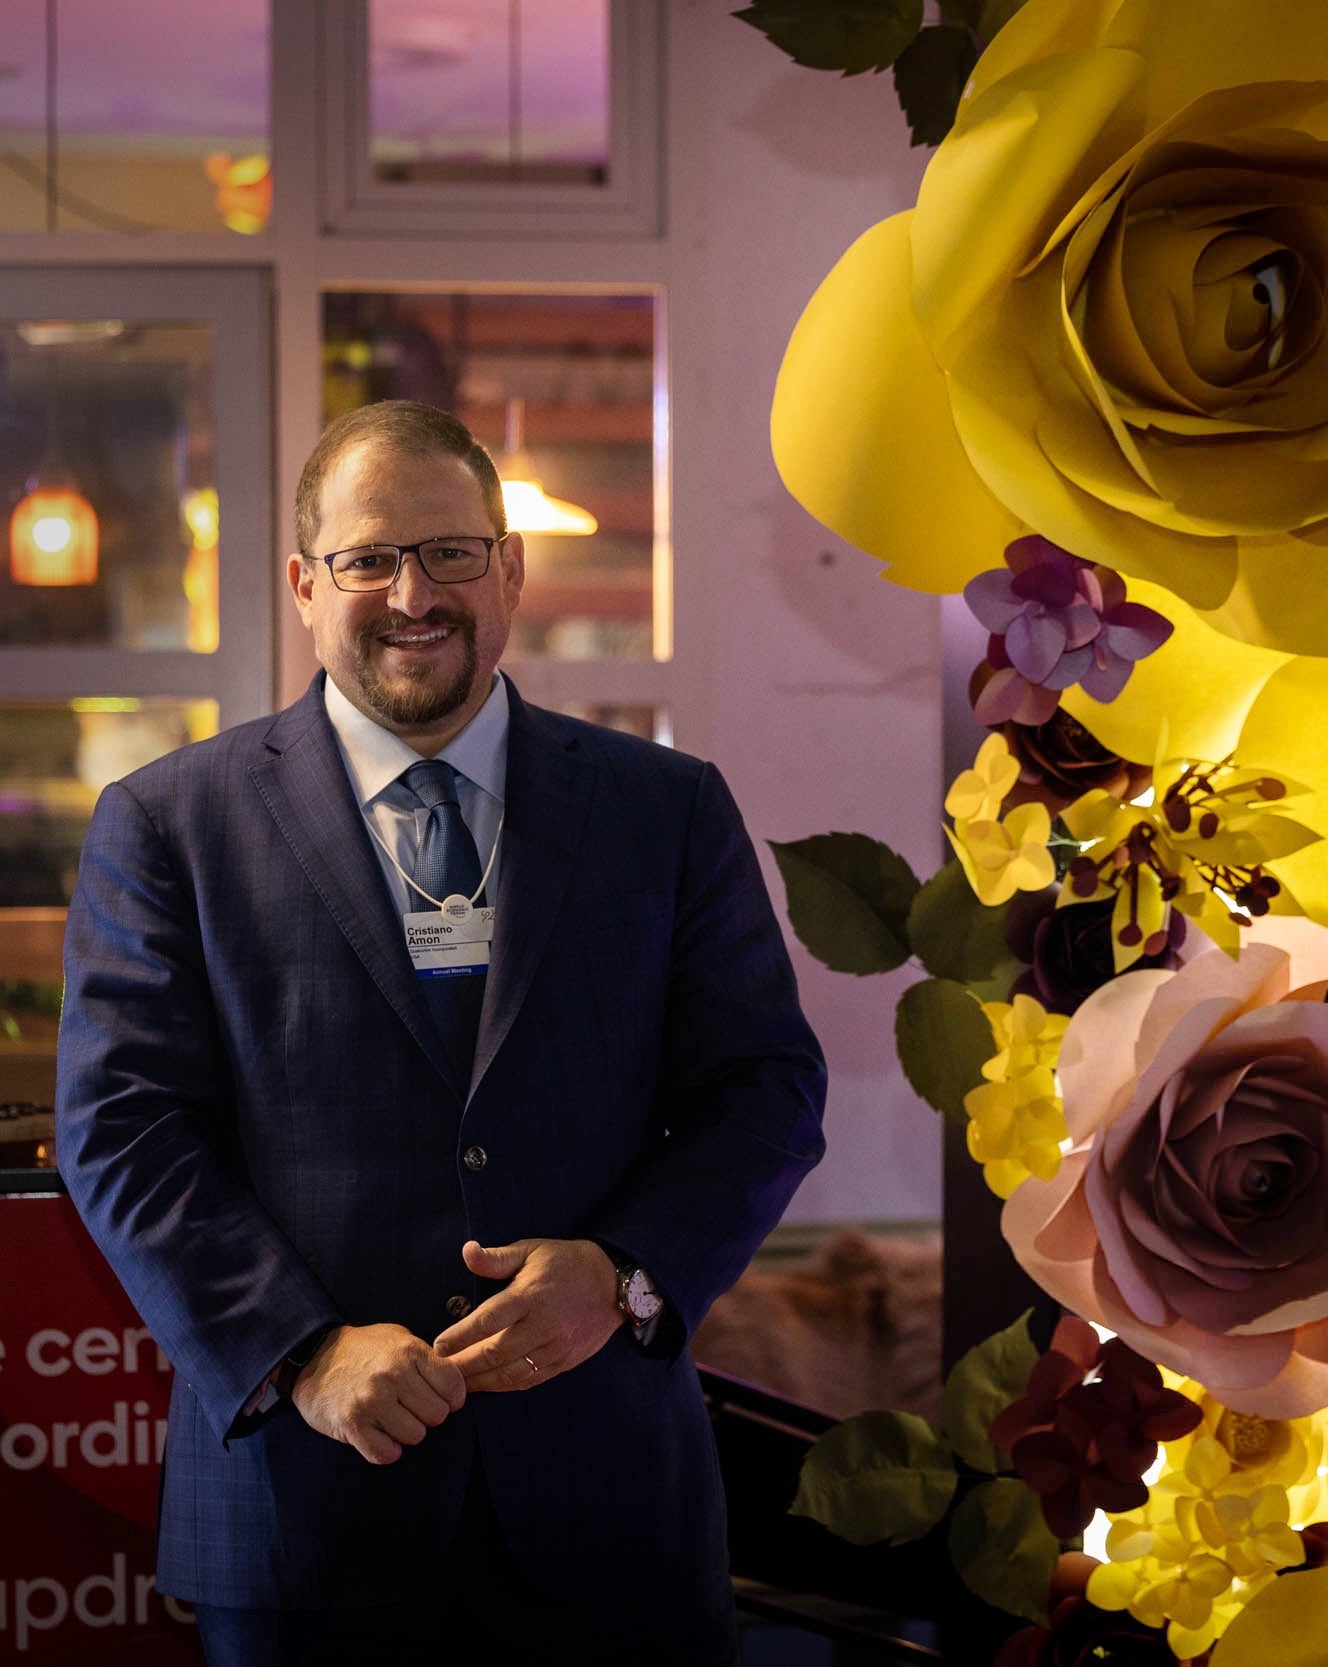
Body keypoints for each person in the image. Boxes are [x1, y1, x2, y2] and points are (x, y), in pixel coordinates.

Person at [56, 399, 828, 1666]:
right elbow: (122, 1132)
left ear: (510, 566)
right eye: (370, 558)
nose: (414, 592)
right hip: (305, 1509)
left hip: (611, 1512)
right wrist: (299, 1351)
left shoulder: (665, 808)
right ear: (307, 586)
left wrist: (624, 1270)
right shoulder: (166, 826)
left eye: (450, 551)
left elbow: (766, 1088)